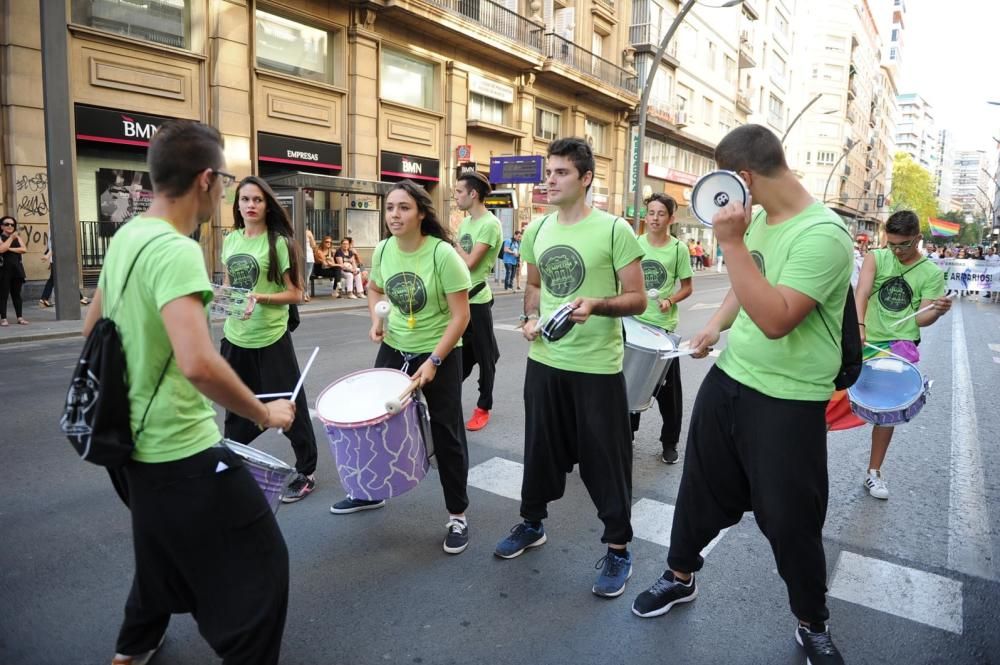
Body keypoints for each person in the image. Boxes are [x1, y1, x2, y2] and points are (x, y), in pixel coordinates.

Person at [631, 125, 852, 665]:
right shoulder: (759, 222)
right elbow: (742, 283)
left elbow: (777, 318)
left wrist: (729, 242)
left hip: (788, 401)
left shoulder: (823, 235)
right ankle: (679, 576)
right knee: (699, 493)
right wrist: (716, 327)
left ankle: (811, 621)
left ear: (746, 178)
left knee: (792, 519)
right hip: (731, 381)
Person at [82, 120, 295, 665]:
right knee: (262, 569)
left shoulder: (128, 234)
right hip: (180, 446)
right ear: (205, 179)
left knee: (159, 546)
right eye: (224, 179)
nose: (225, 189)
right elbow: (199, 362)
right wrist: (263, 413)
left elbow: (92, 327)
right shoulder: (177, 250)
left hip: (124, 440)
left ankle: (133, 647)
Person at [493, 137, 646, 598]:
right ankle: (531, 523)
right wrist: (530, 317)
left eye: (561, 173)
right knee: (539, 450)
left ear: (585, 179)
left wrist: (597, 304)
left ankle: (618, 549)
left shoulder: (615, 230)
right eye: (549, 172)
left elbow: (638, 297)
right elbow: (534, 284)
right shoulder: (539, 230)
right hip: (545, 362)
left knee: (606, 463)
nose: (550, 180)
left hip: (597, 368)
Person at [330, 180, 474, 556]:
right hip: (396, 346)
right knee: (374, 422)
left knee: (446, 432)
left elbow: (461, 317)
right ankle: (369, 491)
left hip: (439, 351)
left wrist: (434, 362)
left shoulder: (443, 255)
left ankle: (457, 515)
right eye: (391, 207)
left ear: (421, 213)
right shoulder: (383, 249)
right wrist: (376, 319)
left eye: (404, 208)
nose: (395, 214)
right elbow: (376, 289)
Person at [827, 210, 949, 499]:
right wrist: (857, 325)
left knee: (887, 412)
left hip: (899, 346)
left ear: (918, 239)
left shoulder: (931, 272)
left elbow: (921, 319)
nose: (897, 250)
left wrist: (936, 311)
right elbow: (862, 292)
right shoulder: (877, 258)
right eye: (892, 244)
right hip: (864, 340)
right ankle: (799, 463)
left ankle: (874, 473)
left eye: (904, 244)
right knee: (828, 401)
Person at [220, 175, 319, 504]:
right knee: (235, 403)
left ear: (267, 205)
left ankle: (306, 471)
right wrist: (223, 299)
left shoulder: (278, 243)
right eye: (245, 200)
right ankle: (232, 459)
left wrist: (258, 298)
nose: (250, 205)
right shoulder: (231, 240)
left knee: (289, 402)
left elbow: (296, 293)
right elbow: (231, 286)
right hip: (235, 336)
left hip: (270, 337)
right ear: (237, 204)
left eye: (257, 200)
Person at [630, 193, 693, 464]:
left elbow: (688, 287)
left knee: (669, 392)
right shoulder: (635, 244)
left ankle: (669, 442)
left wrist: (670, 300)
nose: (654, 218)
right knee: (630, 383)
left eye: (660, 214)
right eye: (651, 213)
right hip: (634, 323)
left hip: (663, 330)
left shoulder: (678, 249)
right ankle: (627, 435)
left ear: (670, 218)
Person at [453, 172, 503, 432]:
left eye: (460, 191)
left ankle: (483, 407)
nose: (456, 196)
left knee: (484, 357)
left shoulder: (490, 224)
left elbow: (470, 262)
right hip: (460, 298)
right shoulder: (465, 224)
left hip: (478, 300)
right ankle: (444, 396)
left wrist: (454, 244)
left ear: (473, 194)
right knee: (460, 352)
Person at [40, 236, 90, 307]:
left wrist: (50, 260)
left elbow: (51, 246)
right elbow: (55, 246)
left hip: (55, 260)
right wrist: (48, 256)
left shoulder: (51, 230)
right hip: (60, 260)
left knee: (53, 280)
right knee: (68, 278)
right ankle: (79, 298)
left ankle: (44, 299)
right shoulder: (55, 229)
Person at [0, 215, 28, 326]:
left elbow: (24, 249)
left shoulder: (18, 237)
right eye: (7, 224)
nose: (10, 226)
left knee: (17, 295)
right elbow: (1, 249)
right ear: (2, 226)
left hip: (16, 270)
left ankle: (20, 317)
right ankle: (4, 318)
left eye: (12, 224)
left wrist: (9, 248)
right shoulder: (2, 237)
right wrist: (11, 239)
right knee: (3, 295)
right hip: (3, 270)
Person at [303, 228, 317, 302]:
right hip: (309, 257)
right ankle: (305, 293)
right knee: (306, 277)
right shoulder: (308, 232)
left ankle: (305, 293)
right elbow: (313, 245)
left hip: (302, 256)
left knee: (303, 277)